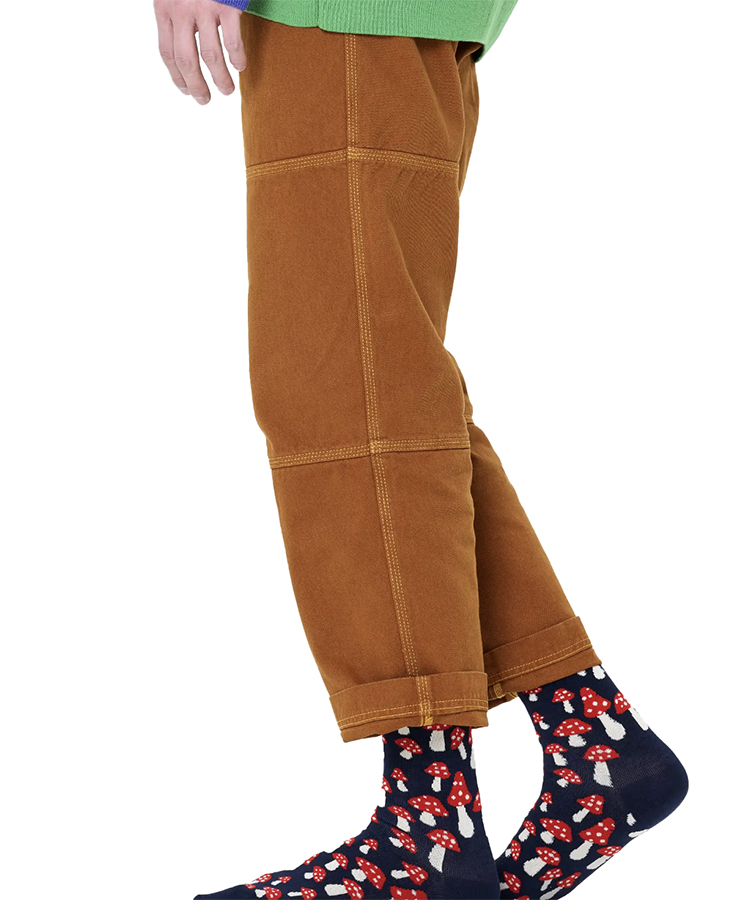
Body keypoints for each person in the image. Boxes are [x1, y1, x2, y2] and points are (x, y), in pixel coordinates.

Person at [153, 3, 689, 897]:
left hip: (340, 16)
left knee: (345, 394)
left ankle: (428, 830)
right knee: (382, 386)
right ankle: (590, 738)